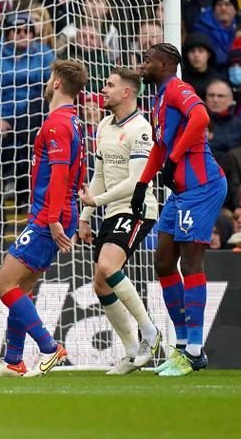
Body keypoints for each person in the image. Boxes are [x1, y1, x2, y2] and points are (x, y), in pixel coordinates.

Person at [0, 59, 87, 377]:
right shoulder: (72, 121)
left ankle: (51, 349)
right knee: (21, 288)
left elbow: (60, 174)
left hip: (48, 217)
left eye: (49, 77)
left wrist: (52, 219)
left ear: (56, 83)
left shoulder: (56, 124)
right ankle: (13, 360)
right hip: (57, 213)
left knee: (3, 284)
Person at [135, 43, 229, 376]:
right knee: (163, 261)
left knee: (190, 263)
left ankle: (193, 351)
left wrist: (174, 160)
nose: (142, 65)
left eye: (147, 61)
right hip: (180, 192)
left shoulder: (179, 88)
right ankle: (180, 346)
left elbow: (201, 117)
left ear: (163, 64)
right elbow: (160, 147)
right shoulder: (159, 99)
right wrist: (141, 185)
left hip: (202, 187)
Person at [78, 67, 162, 375]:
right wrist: (85, 217)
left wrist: (96, 202)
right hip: (112, 210)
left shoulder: (141, 129)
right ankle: (129, 353)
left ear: (127, 92)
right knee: (101, 284)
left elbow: (136, 180)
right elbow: (99, 177)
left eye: (110, 85)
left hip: (137, 209)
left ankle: (149, 332)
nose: (103, 89)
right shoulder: (103, 125)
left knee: (107, 267)